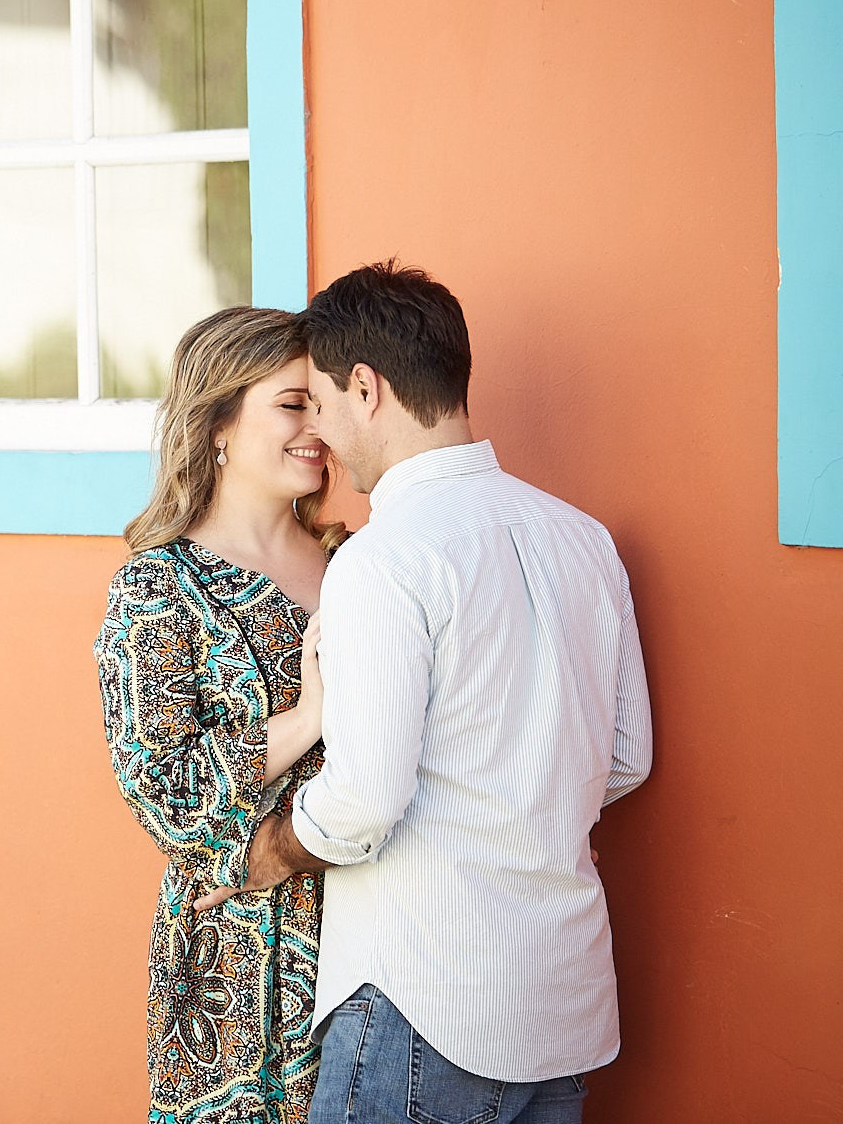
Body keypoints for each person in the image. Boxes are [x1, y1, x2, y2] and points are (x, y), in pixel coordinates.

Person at [219, 262, 653, 1124]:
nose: (322, 437)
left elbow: (365, 799)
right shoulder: (582, 538)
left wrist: (268, 854)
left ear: (367, 389)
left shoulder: (386, 558)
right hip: (559, 1002)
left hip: (425, 1001)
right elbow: (626, 759)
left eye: (322, 402)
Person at [94, 306, 346, 1124]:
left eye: (323, 401)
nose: (318, 425)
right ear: (219, 426)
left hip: (377, 932)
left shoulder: (357, 561)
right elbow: (161, 793)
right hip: (240, 957)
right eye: (291, 403)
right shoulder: (158, 589)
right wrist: (306, 719)